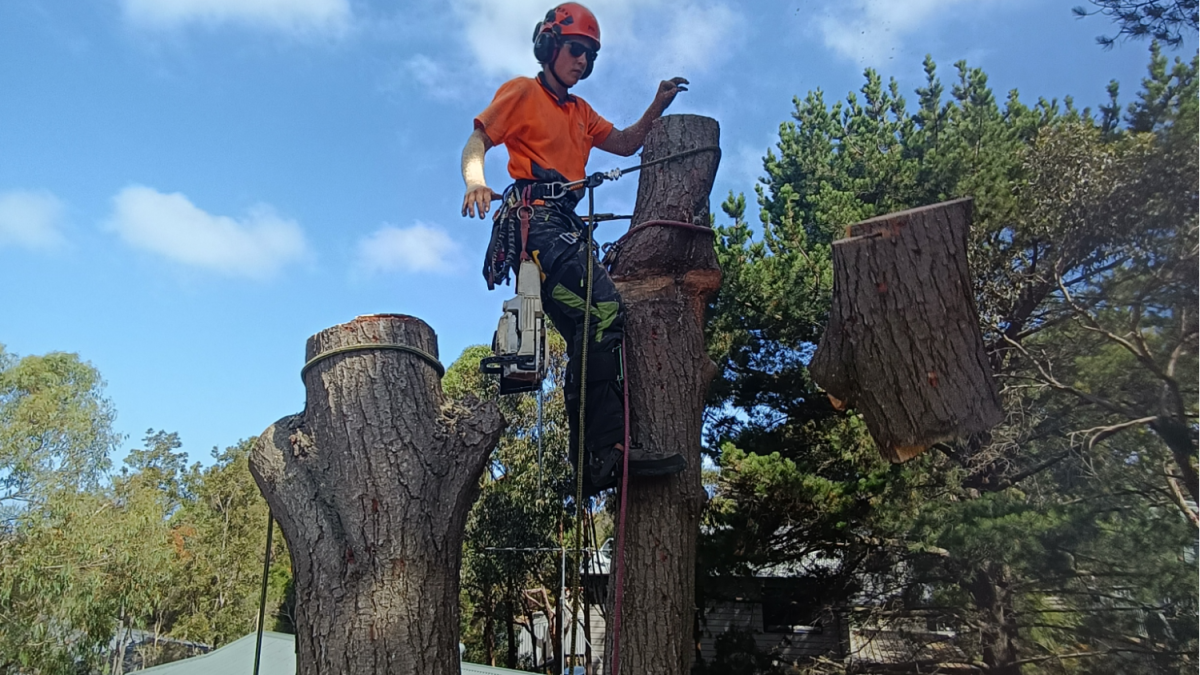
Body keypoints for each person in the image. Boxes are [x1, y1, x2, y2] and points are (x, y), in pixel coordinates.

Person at [461, 2, 688, 497]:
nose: (582, 61)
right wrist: (475, 183)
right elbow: (478, 140)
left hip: (564, 226)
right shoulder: (522, 92)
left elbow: (627, 143)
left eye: (589, 55)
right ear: (549, 45)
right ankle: (600, 456)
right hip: (536, 225)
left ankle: (595, 457)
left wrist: (657, 106)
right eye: (574, 49)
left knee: (596, 327)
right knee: (604, 311)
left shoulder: (582, 114)